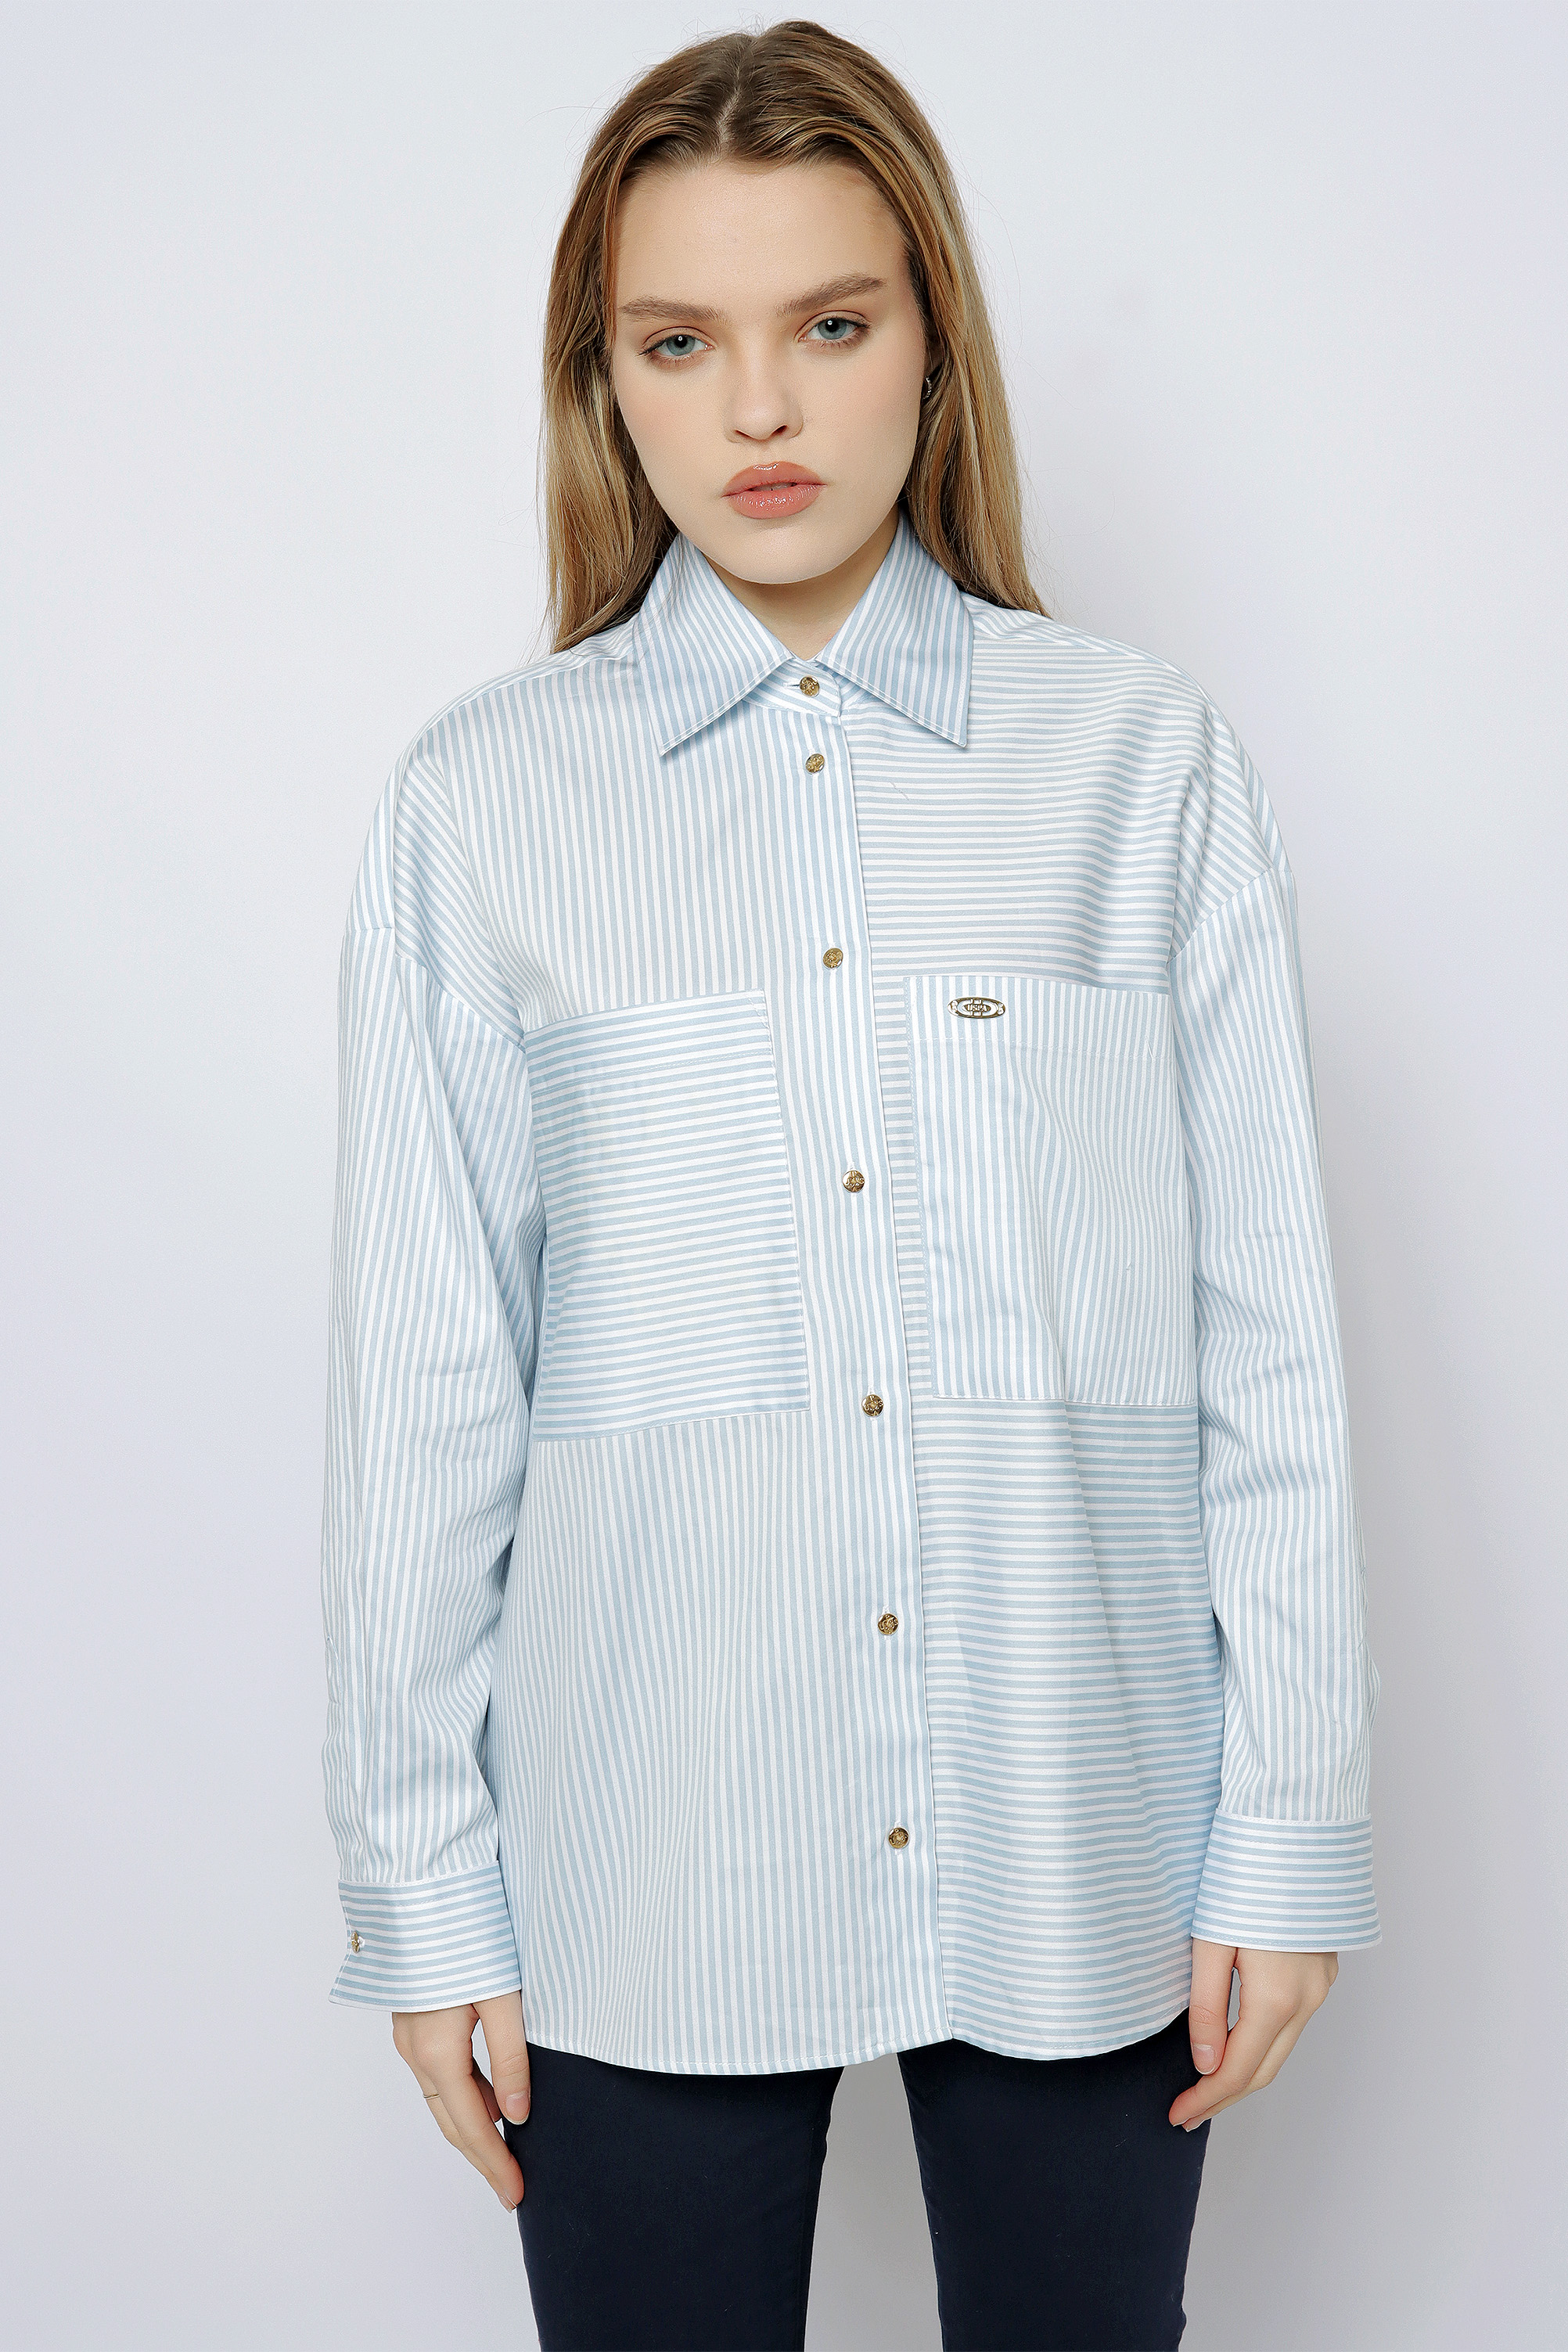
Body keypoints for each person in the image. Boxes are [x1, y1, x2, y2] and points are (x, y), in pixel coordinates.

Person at [319, 20, 1381, 2350]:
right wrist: (424, 1887)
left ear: (931, 338)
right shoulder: (482, 808)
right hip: (643, 1853)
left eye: (829, 322)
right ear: (603, 381)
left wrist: (1288, 1830)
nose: (761, 411)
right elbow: (427, 1388)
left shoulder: (1139, 767)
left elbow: (1266, 1341)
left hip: (1085, 1819)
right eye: (676, 343)